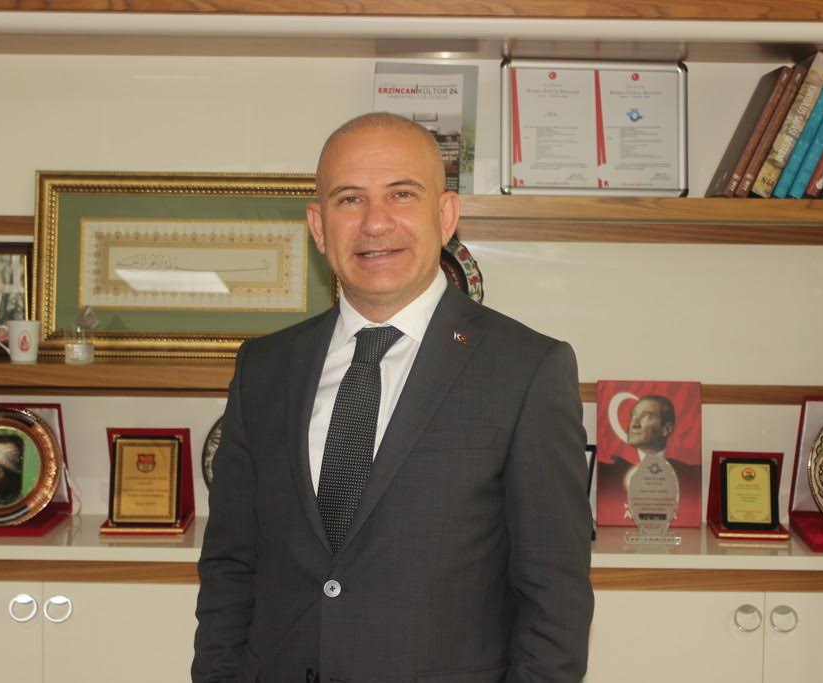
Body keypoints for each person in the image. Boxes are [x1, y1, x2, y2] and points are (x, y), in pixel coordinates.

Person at [193, 112, 593, 683]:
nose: (375, 222)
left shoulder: (528, 370)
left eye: (402, 194)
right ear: (318, 226)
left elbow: (555, 597)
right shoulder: (264, 368)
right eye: (349, 199)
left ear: (446, 215)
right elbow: (230, 566)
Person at [604, 395, 702, 521]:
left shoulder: (689, 476)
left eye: (647, 416)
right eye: (633, 415)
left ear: (666, 429)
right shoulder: (609, 475)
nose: (634, 424)